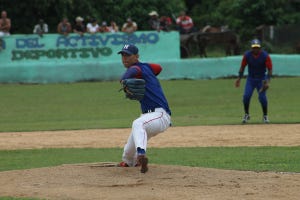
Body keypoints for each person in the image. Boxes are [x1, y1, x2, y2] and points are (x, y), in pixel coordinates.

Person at [117, 44, 172, 173]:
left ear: (137, 56)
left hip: (160, 115)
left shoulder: (136, 69)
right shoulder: (147, 67)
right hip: (148, 117)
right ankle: (132, 161)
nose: (125, 58)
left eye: (128, 55)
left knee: (138, 123)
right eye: (123, 55)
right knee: (127, 154)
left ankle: (141, 154)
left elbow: (126, 76)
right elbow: (158, 68)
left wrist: (124, 81)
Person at [235, 39, 273, 123]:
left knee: (262, 98)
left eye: (257, 47)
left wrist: (267, 80)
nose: (255, 49)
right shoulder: (247, 55)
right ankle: (246, 114)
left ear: (260, 48)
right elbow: (242, 67)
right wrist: (239, 78)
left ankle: (265, 116)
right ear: (251, 48)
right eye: (254, 47)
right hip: (251, 79)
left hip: (261, 79)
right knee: (246, 96)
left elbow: (270, 69)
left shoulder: (265, 56)